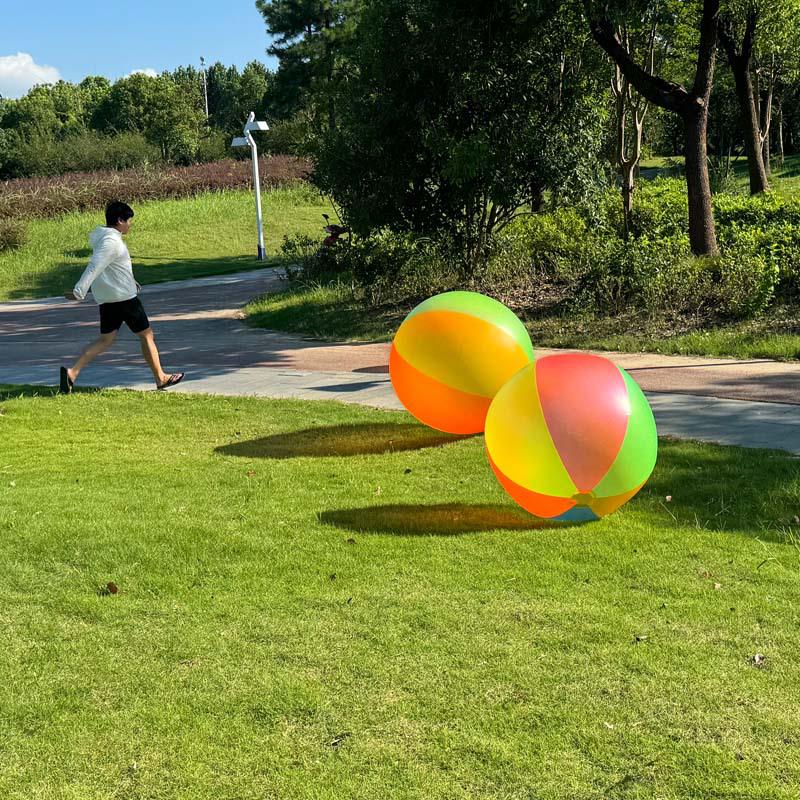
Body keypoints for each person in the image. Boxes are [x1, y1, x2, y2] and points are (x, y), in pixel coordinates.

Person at [61, 201, 184, 393]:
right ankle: (161, 378)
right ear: (120, 220)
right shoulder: (111, 242)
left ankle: (72, 373)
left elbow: (113, 267)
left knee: (105, 339)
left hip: (109, 299)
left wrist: (131, 280)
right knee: (146, 335)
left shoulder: (105, 239)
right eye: (129, 220)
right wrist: (79, 290)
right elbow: (95, 266)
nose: (130, 224)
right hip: (125, 299)